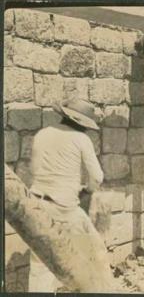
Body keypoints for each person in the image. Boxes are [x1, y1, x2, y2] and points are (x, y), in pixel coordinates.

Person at [28, 98, 111, 292]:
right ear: (82, 124)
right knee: (94, 255)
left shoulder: (42, 134)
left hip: (36, 204)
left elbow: (33, 169)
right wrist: (87, 190)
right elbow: (97, 177)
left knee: (40, 265)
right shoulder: (81, 139)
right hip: (64, 209)